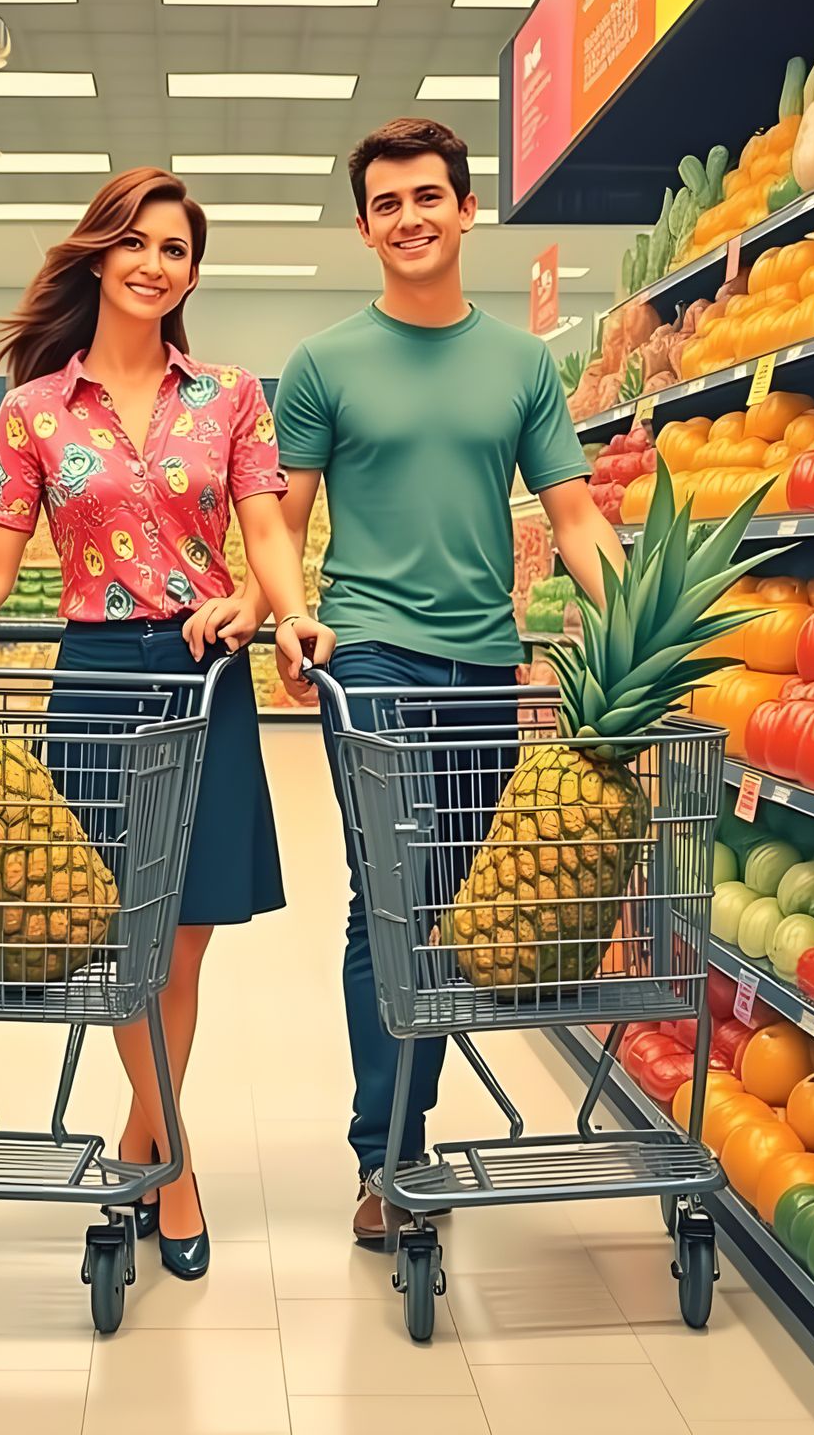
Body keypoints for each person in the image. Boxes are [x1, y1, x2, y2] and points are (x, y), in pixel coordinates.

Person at [0, 167, 334, 1281]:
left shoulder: (230, 396)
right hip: (99, 680)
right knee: (124, 937)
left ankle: (139, 1131)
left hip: (207, 674)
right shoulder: (31, 411)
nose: (156, 264)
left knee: (186, 938)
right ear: (98, 254)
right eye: (138, 242)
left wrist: (287, 612)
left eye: (176, 250)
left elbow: (266, 534)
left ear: (190, 274)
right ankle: (176, 1163)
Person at [257, 117, 625, 1244]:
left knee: (460, 904)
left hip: (484, 663)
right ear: (362, 226)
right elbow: (283, 513)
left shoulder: (521, 364)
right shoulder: (323, 363)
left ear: (467, 211)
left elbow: (572, 518)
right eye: (386, 203)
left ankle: (409, 1128)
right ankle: (388, 1157)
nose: (409, 217)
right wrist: (289, 614)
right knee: (392, 898)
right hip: (366, 656)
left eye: (428, 196)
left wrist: (639, 629)